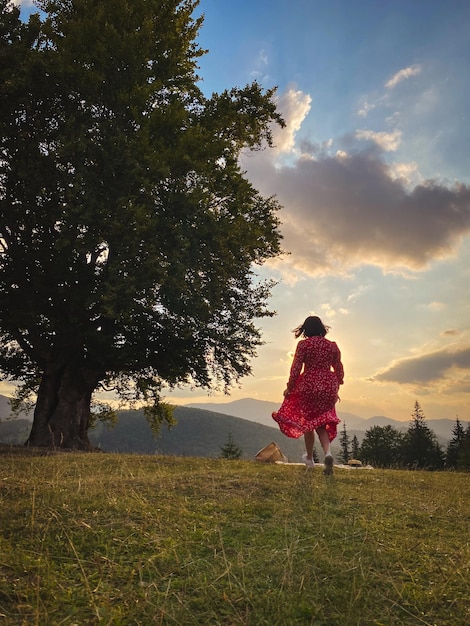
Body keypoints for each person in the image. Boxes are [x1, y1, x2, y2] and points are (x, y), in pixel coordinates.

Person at [272, 315, 344, 474]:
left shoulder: (304, 345)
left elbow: (295, 369)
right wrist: (337, 385)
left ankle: (310, 459)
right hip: (328, 386)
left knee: (308, 423)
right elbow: (338, 368)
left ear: (306, 330)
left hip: (309, 385)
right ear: (322, 329)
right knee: (321, 423)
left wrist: (289, 388)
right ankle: (328, 453)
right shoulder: (332, 346)